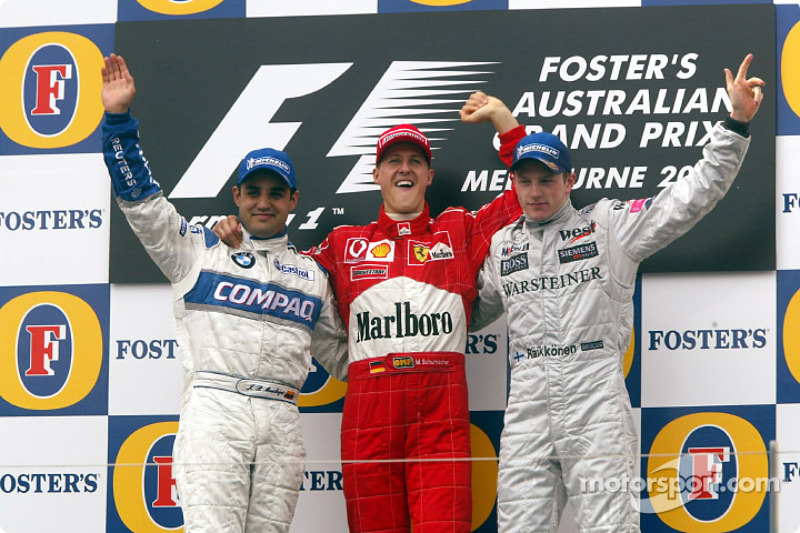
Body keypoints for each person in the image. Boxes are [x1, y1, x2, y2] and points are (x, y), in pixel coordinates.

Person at [468, 54, 764, 532]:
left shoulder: (607, 226)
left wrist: (735, 125)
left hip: (595, 395)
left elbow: (692, 195)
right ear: (513, 184)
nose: (535, 191)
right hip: (526, 400)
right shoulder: (503, 245)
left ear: (571, 181)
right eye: (525, 181)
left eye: (547, 180)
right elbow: (469, 315)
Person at [215, 115, 523, 531]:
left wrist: (506, 125)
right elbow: (284, 272)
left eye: (415, 161)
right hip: (369, 419)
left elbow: (523, 198)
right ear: (377, 174)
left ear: (429, 175)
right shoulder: (344, 243)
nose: (404, 168)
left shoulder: (457, 229)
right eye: (393, 160)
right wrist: (238, 236)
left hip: (440, 416)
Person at [100, 53, 348, 533]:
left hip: (281, 420)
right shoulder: (198, 250)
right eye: (252, 190)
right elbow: (141, 204)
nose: (263, 201)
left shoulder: (310, 276)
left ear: (293, 201)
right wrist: (118, 121)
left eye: (276, 193)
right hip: (216, 414)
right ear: (236, 194)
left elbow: (346, 356)